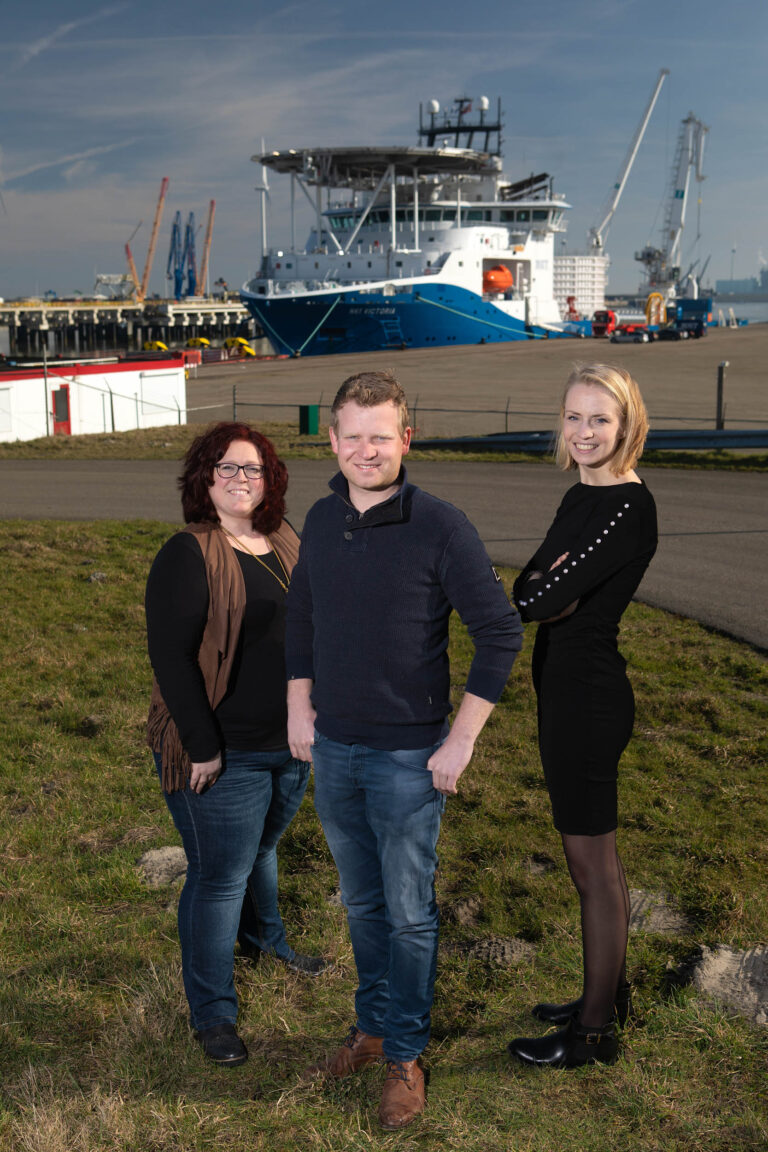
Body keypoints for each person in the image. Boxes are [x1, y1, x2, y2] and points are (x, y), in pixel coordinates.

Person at [286, 371, 522, 1130]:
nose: (365, 450)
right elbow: (301, 621)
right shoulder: (320, 521)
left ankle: (405, 1056)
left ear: (406, 438)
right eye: (351, 436)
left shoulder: (442, 527)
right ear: (332, 439)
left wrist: (462, 738)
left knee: (410, 914)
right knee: (360, 905)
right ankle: (373, 1027)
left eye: (380, 436)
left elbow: (500, 633)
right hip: (333, 748)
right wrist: (300, 709)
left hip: (408, 760)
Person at [145, 421, 327, 1069]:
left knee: (264, 850)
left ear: (269, 479)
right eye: (227, 468)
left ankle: (267, 940)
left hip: (291, 741)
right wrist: (201, 746)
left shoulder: (283, 539)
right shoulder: (188, 553)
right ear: (205, 479)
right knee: (219, 876)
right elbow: (170, 659)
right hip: (223, 749)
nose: (241, 479)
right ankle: (213, 1012)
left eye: (252, 469)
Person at [507, 364, 657, 1069]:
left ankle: (594, 1034)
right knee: (596, 860)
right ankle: (607, 994)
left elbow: (542, 600)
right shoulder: (578, 496)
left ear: (627, 425)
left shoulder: (629, 506)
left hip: (589, 702)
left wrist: (548, 584)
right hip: (564, 696)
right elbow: (528, 583)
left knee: (589, 864)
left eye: (600, 419)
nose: (585, 432)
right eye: (574, 417)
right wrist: (548, 582)